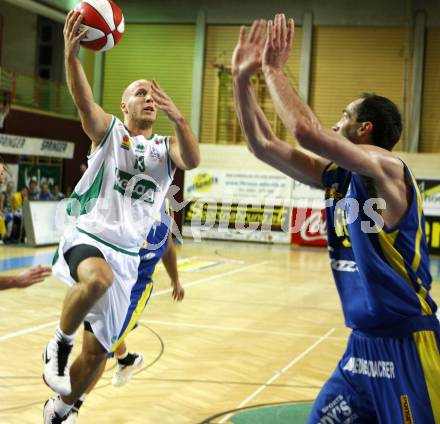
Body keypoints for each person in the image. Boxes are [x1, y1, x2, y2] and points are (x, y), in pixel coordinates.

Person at [232, 15, 439, 424]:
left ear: (364, 129)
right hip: (360, 349)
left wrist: (273, 68)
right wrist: (242, 81)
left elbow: (305, 131)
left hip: (407, 347)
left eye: (343, 116)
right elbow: (262, 145)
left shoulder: (387, 169)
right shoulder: (336, 177)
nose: (334, 122)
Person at [43, 9, 199, 423]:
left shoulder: (165, 150)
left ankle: (60, 410)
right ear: (123, 104)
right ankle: (58, 344)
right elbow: (83, 102)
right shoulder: (110, 132)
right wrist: (72, 57)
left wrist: (180, 117)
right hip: (88, 234)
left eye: (153, 94)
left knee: (97, 354)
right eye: (140, 93)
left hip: (128, 259)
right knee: (98, 279)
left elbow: (193, 159)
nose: (148, 98)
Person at [66, 202, 184, 423]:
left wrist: (175, 279)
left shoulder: (163, 208)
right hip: (111, 278)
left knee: (101, 347)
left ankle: (72, 407)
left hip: (136, 289)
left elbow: (167, 245)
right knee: (100, 334)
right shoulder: (125, 200)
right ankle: (126, 359)